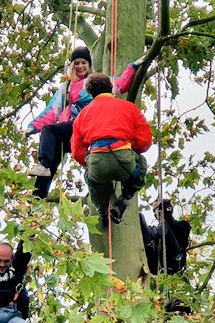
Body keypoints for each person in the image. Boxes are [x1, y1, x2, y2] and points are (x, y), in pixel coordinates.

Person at [25, 45, 141, 199]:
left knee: (50, 130)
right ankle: (38, 196)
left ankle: (44, 166)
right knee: (52, 154)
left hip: (86, 125)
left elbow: (121, 84)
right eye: (77, 63)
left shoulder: (97, 82)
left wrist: (132, 67)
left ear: (89, 65)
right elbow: (52, 111)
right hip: (73, 132)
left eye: (83, 63)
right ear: (72, 66)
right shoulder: (66, 87)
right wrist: (33, 126)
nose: (80, 66)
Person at [71, 73, 153, 228]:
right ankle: (124, 199)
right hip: (124, 159)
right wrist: (130, 148)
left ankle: (103, 211)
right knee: (141, 163)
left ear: (91, 93)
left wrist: (88, 162)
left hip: (98, 160)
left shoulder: (83, 115)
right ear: (111, 88)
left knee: (92, 178)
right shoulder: (129, 108)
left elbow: (77, 151)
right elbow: (144, 141)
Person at [140, 198, 190, 275]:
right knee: (141, 218)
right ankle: (148, 241)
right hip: (156, 265)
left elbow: (180, 233)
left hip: (175, 259)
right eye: (154, 210)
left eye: (158, 208)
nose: (156, 212)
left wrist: (166, 213)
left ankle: (150, 237)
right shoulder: (157, 230)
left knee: (163, 225)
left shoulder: (182, 225)